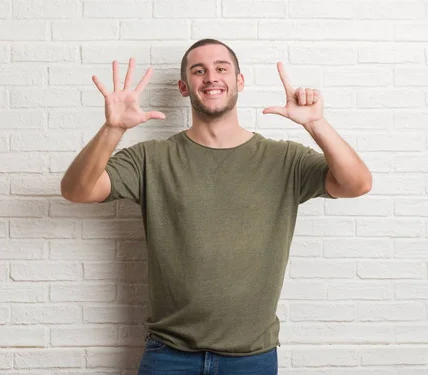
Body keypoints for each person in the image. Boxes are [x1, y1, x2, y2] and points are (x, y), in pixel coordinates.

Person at [60, 39, 372, 375]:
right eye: (199, 70)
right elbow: (77, 190)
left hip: (252, 357)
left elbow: (357, 184)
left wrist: (315, 124)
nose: (211, 77)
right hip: (169, 355)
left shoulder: (284, 159)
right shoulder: (152, 158)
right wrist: (113, 128)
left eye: (221, 68)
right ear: (184, 86)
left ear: (239, 81)